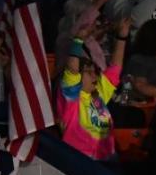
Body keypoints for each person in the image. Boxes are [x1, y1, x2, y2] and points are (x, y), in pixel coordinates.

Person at [55, 17, 131, 160]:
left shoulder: (98, 93)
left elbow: (115, 69)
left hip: (107, 160)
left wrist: (122, 37)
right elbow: (72, 69)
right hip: (80, 161)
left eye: (94, 71)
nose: (94, 75)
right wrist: (78, 40)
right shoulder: (71, 100)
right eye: (88, 72)